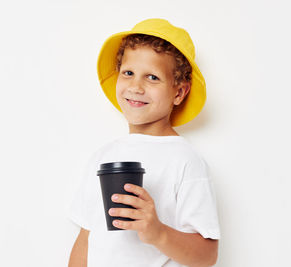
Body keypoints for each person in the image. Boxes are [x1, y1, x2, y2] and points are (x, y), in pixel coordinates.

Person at [68, 18, 220, 267]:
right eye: (128, 73)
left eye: (152, 77)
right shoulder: (102, 157)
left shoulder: (185, 161)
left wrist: (158, 232)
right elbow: (86, 238)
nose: (136, 87)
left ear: (179, 92)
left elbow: (207, 256)